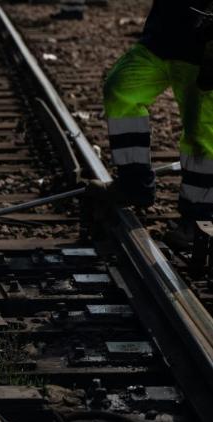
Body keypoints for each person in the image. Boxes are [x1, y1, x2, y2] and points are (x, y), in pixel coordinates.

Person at [102, 0, 213, 248]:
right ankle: (134, 183)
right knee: (119, 90)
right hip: (160, 40)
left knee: (201, 136)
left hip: (202, 50)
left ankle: (197, 220)